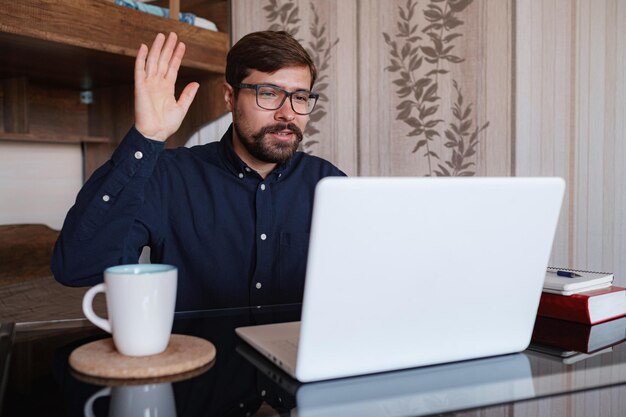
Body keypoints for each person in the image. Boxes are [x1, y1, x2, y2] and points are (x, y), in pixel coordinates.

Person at [51, 31, 345, 311]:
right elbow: (78, 267)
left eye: (301, 97)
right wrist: (147, 137)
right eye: (268, 94)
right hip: (198, 362)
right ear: (230, 97)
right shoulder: (168, 176)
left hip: (297, 363)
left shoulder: (330, 186)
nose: (288, 113)